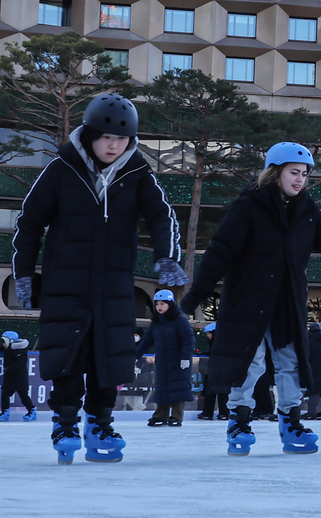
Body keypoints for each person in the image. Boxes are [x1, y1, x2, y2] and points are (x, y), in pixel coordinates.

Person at [181, 142, 321, 456]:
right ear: (275, 172)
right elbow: (219, 252)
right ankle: (238, 421)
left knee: (289, 363)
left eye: (304, 174)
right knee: (250, 363)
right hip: (247, 302)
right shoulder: (248, 206)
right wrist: (195, 294)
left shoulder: (306, 212)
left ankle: (290, 421)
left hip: (287, 303)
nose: (300, 179)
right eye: (294, 172)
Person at [12, 94, 182, 464]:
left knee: (110, 360)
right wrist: (24, 274)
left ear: (131, 141)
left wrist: (168, 257)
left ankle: (100, 423)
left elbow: (161, 216)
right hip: (65, 286)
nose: (113, 144)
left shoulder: (137, 175)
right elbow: (28, 224)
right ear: (90, 134)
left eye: (120, 139)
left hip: (114, 288)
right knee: (69, 359)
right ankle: (66, 422)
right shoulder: (60, 171)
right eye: (106, 136)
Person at [135, 289, 194, 427]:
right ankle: (160, 415)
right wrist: (135, 356)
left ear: (170, 304)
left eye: (162, 303)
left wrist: (185, 357)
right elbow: (146, 341)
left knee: (177, 389)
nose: (159, 307)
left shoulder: (180, 321)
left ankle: (176, 416)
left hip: (179, 362)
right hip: (162, 362)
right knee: (161, 389)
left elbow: (188, 340)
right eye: (157, 304)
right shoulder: (156, 323)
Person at [196, 323, 230, 420]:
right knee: (211, 392)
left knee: (221, 393)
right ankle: (209, 412)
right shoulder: (216, 344)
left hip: (221, 371)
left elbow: (218, 352)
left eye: (209, 334)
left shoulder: (222, 343)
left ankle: (222, 413)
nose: (208, 336)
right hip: (213, 371)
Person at [1, 331, 36, 421]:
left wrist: (9, 368)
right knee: (5, 394)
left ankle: (32, 410)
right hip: (10, 378)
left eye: (5, 342)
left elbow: (21, 363)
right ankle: (5, 411)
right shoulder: (9, 348)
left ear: (11, 341)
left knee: (23, 395)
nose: (3, 344)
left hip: (19, 377)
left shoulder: (19, 350)